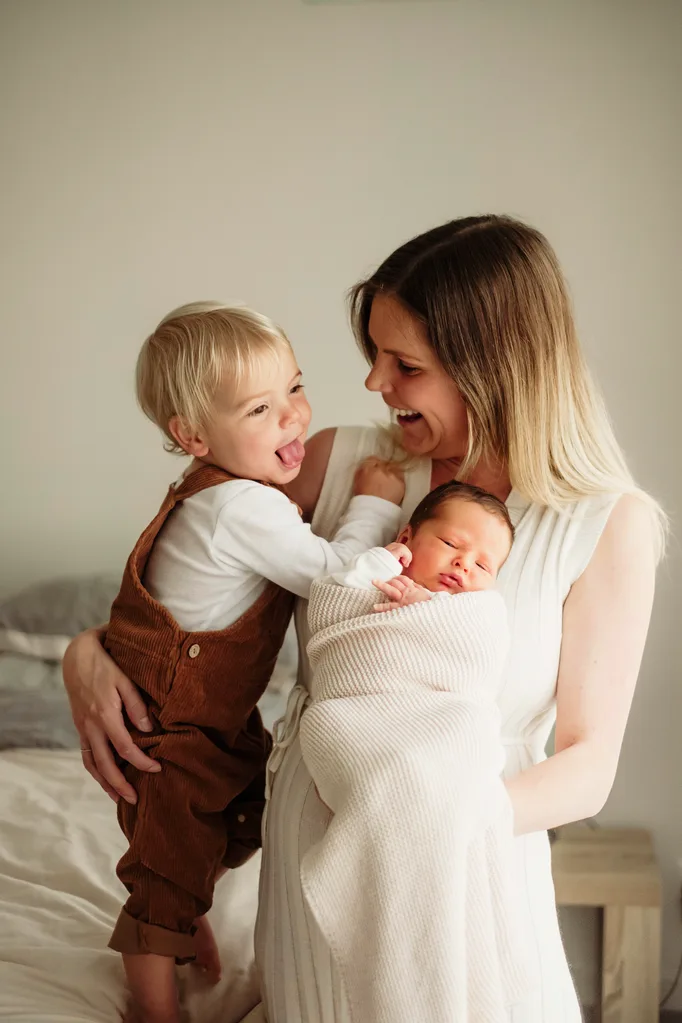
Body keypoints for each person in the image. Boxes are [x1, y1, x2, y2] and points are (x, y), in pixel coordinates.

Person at [63, 215, 663, 1023]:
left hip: (461, 884)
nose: (375, 383)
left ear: (493, 366)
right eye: (372, 355)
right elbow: (184, 571)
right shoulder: (342, 464)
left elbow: (590, 764)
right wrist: (86, 653)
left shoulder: (605, 523)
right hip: (308, 895)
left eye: (404, 363)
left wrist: (428, 821)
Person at [97, 301, 404, 1023]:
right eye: (260, 408)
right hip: (173, 732)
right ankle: (154, 1006)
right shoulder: (241, 507)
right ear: (194, 435)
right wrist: (374, 505)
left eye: (295, 388)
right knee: (164, 869)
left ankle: (182, 928)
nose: (293, 417)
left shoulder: (223, 494)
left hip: (203, 721)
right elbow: (335, 575)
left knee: (212, 836)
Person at [294, 482, 530, 1022]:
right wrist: (378, 565)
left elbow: (477, 654)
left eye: (484, 564)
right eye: (451, 544)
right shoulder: (372, 574)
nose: (464, 566)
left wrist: (425, 606)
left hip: (445, 717)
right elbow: (332, 602)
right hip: (356, 710)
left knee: (444, 769)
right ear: (408, 537)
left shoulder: (475, 609)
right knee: (389, 775)